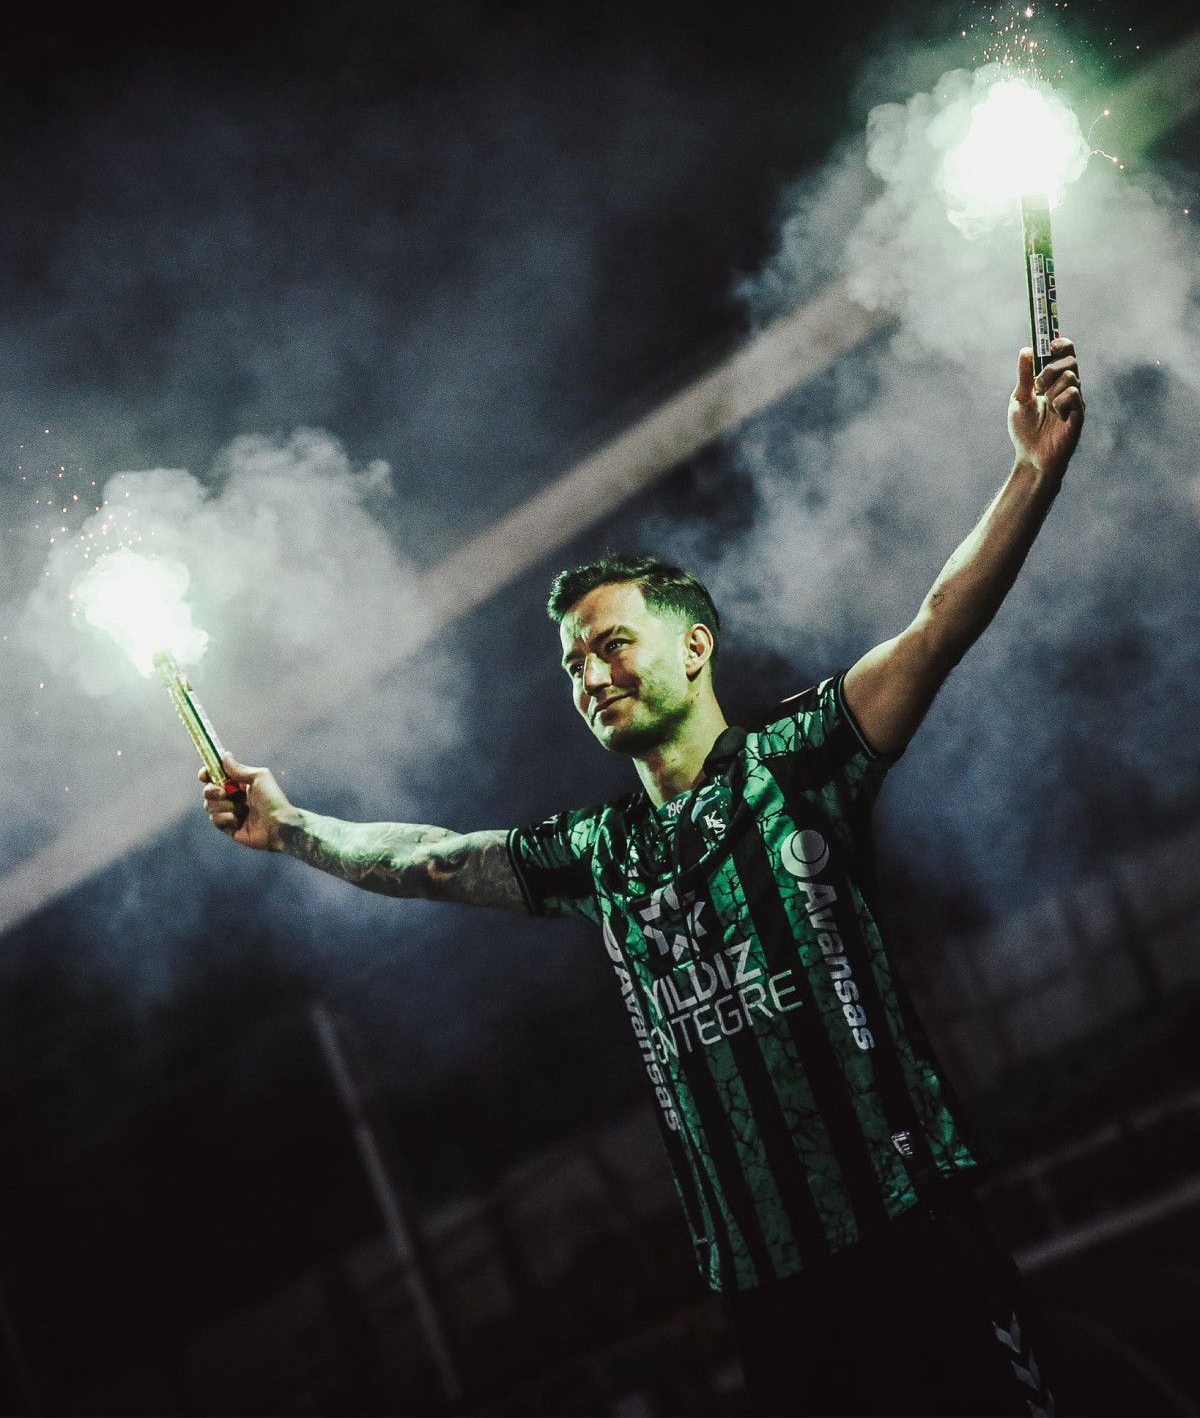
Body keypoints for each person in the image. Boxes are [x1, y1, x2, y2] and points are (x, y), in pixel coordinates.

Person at [204, 338, 1085, 1415]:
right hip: (769, 1295)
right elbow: (427, 859)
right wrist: (292, 826)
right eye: (574, 662)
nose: (591, 674)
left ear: (695, 647)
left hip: (909, 1235)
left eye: (613, 644)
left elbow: (939, 622)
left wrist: (1033, 471)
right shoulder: (597, 853)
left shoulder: (798, 761)